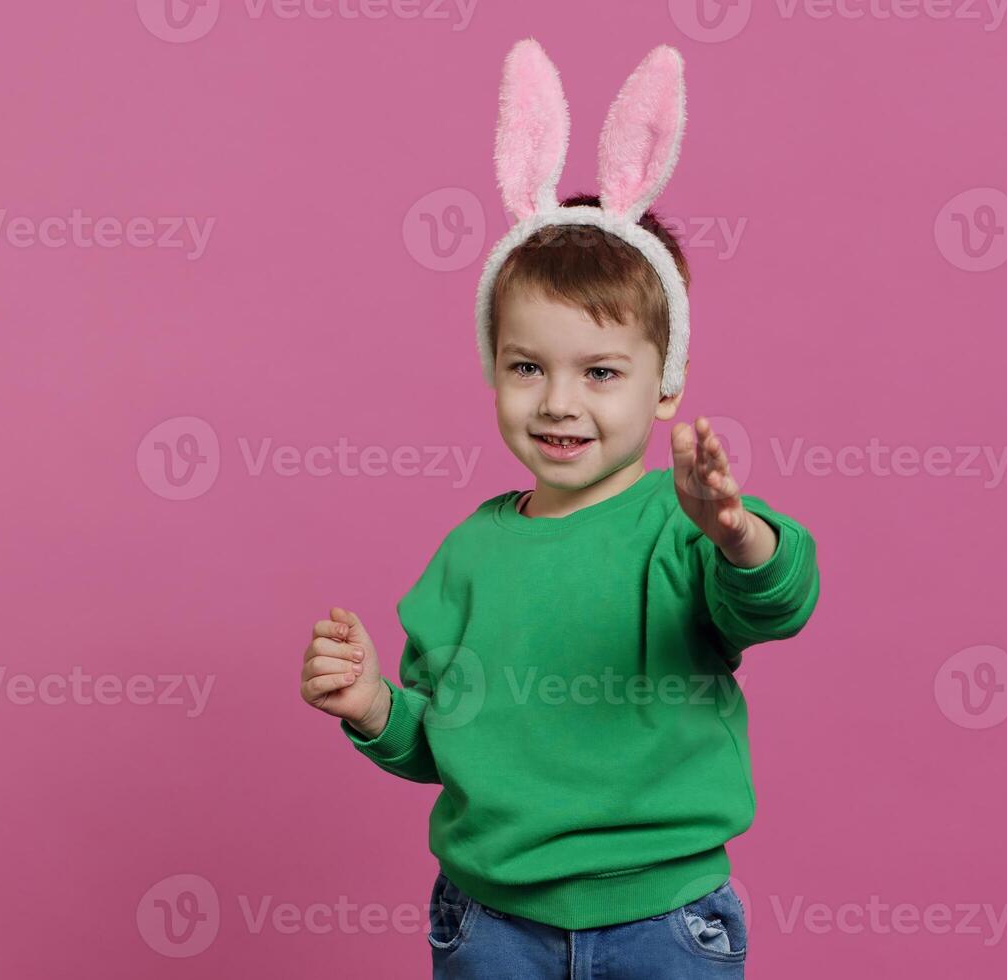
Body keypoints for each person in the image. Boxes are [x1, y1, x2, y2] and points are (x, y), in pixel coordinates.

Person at [298, 39, 820, 978]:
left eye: (601, 372)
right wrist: (373, 704)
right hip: (493, 926)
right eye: (527, 367)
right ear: (491, 369)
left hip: (665, 920)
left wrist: (735, 531)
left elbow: (778, 600)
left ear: (666, 385)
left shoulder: (683, 525)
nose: (559, 402)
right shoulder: (465, 558)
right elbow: (444, 744)